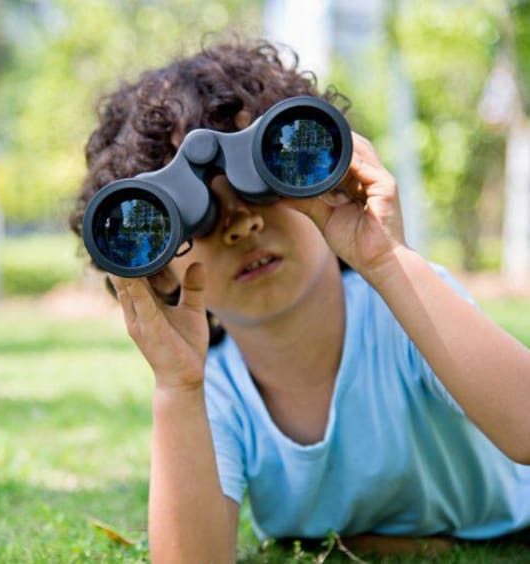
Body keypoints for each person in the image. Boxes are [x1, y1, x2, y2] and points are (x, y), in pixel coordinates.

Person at [69, 39, 530, 562]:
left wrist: (384, 260)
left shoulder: (404, 309)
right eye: (192, 214)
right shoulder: (215, 391)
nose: (241, 224)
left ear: (332, 173)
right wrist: (177, 385)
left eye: (263, 183)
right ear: (158, 272)